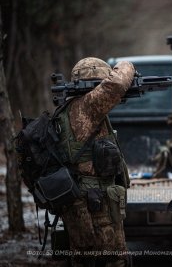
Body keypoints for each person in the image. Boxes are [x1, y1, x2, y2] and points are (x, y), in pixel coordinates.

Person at [57, 57, 135, 266]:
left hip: (80, 198)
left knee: (84, 258)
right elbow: (117, 84)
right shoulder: (89, 105)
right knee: (114, 259)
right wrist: (127, 64)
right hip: (96, 200)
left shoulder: (68, 108)